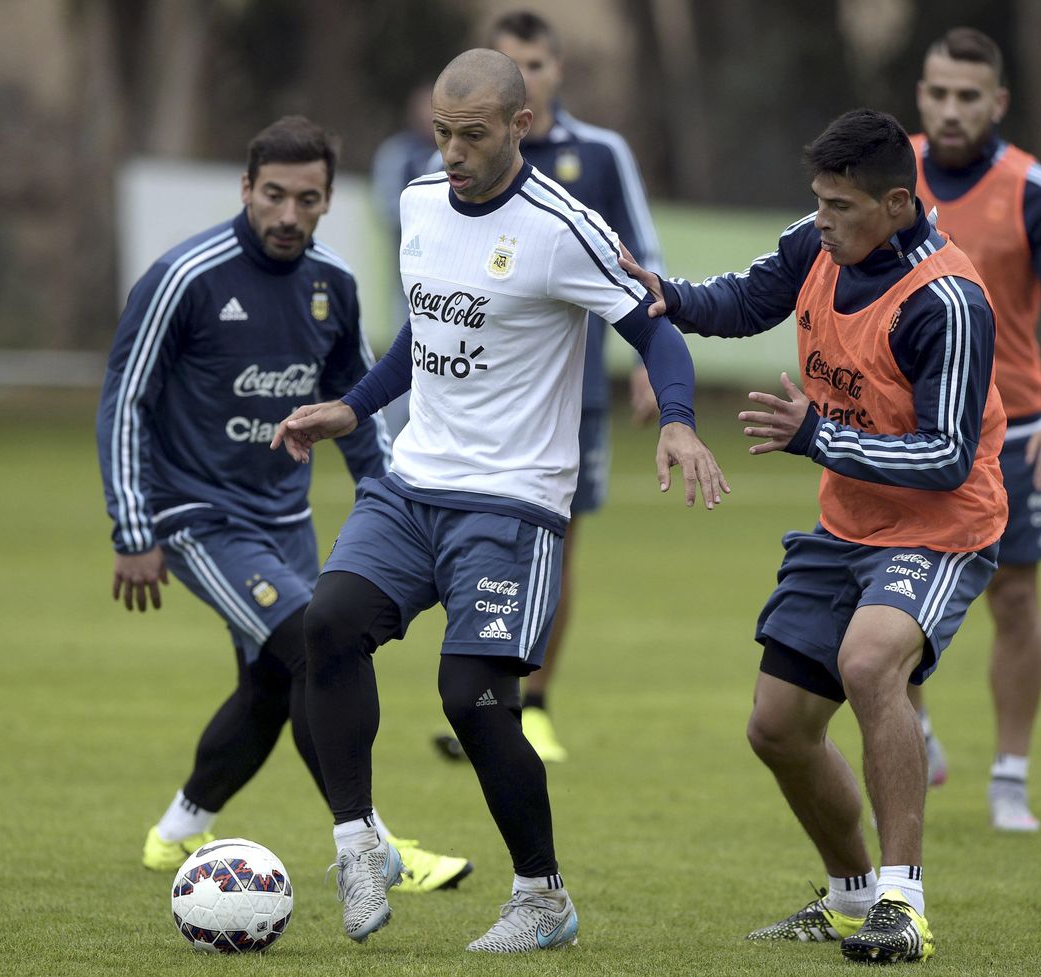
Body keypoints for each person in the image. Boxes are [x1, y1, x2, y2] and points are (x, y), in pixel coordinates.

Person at [270, 49, 727, 952]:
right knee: (326, 625)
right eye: (441, 132)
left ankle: (541, 896)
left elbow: (654, 329)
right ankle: (360, 841)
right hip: (413, 482)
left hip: (514, 501)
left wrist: (676, 417)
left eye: (471, 135)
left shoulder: (565, 227)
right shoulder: (417, 202)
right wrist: (353, 406)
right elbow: (426, 325)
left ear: (520, 126)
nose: (450, 152)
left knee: (471, 694)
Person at [620, 108, 1007, 964]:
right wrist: (667, 296)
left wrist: (816, 437)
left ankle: (903, 905)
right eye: (818, 201)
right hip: (849, 523)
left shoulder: (948, 302)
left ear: (898, 205)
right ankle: (850, 897)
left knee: (871, 662)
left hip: (941, 529)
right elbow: (749, 299)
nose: (820, 220)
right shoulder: (818, 243)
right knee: (778, 728)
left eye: (839, 206)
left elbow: (946, 457)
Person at [96, 115, 472, 893]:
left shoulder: (332, 283)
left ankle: (177, 831)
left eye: (308, 198)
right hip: (197, 516)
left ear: (329, 200)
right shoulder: (184, 277)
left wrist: (392, 500)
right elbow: (124, 401)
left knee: (272, 683)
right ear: (245, 189)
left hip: (286, 520)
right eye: (273, 195)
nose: (288, 214)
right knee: (313, 645)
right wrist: (134, 528)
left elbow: (357, 404)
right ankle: (374, 847)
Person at [429, 10, 663, 764]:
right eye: (507, 59)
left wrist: (649, 366)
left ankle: (534, 703)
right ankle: (488, 697)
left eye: (533, 59)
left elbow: (639, 260)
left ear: (554, 70)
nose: (522, 69)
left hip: (573, 395)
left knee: (554, 548)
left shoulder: (598, 154)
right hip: (473, 396)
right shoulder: (456, 160)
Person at [910, 27, 1041, 831]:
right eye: (938, 93)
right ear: (921, 93)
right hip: (909, 431)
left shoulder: (1034, 190)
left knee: (1016, 602)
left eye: (968, 96)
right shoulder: (887, 173)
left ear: (998, 102)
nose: (951, 111)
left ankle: (1010, 778)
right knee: (881, 597)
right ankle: (913, 729)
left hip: (1013, 432)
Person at [370, 81, 436, 435]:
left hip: (458, 279)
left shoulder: (462, 152)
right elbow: (387, 207)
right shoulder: (398, 153)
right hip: (409, 280)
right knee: (406, 354)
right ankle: (394, 438)